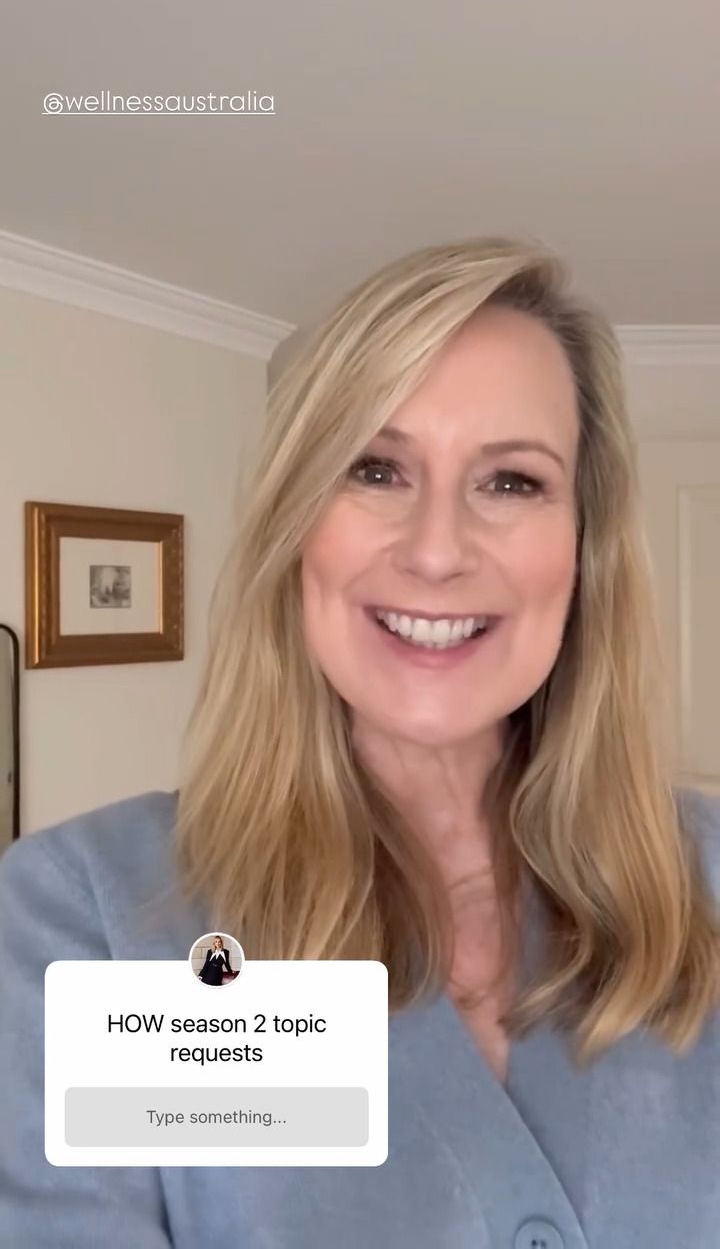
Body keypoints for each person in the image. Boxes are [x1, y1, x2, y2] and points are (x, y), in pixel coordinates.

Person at [1, 236, 719, 1248]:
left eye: (512, 482)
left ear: (583, 546)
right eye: (375, 469)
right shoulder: (86, 917)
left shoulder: (707, 881)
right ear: (297, 525)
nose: (436, 550)